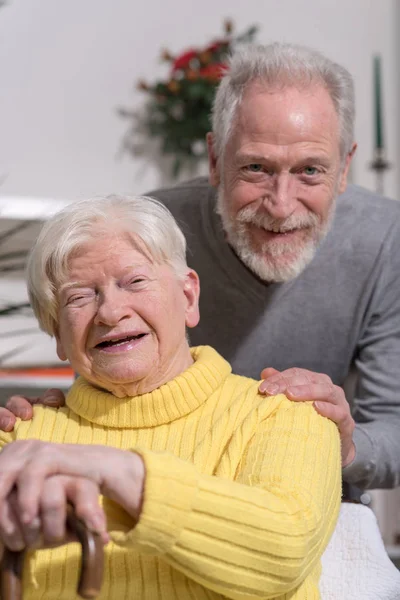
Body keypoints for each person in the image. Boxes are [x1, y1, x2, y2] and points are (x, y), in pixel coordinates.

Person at [2, 43, 400, 490]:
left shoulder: (387, 240)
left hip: (319, 487)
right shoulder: (149, 229)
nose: (282, 205)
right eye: (255, 167)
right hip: (162, 485)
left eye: (310, 170)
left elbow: (394, 424)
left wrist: (345, 446)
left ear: (345, 167)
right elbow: (104, 375)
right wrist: (55, 421)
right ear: (214, 160)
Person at [0, 195, 341, 600]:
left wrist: (115, 470)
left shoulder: (285, 413)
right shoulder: (19, 439)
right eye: (79, 297)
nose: (110, 312)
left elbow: (283, 551)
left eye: (135, 281)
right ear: (57, 334)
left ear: (189, 297)